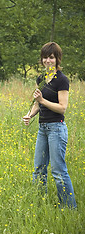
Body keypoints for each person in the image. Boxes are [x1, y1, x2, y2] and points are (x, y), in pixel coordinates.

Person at [23, 42, 77, 208]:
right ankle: (39, 204)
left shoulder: (62, 80)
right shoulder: (40, 79)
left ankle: (68, 208)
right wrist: (29, 115)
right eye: (45, 57)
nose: (48, 60)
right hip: (43, 129)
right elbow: (37, 104)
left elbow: (62, 108)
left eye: (51, 57)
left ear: (57, 59)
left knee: (58, 171)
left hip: (57, 129)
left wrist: (42, 100)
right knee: (39, 169)